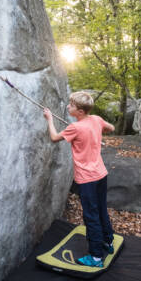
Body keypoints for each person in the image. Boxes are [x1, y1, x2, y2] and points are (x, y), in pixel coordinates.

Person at [43, 91, 115, 268]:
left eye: (72, 105)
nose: (68, 106)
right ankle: (108, 242)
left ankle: (96, 257)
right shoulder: (96, 119)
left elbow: (54, 138)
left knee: (91, 216)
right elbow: (111, 128)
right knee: (101, 211)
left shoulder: (74, 128)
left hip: (87, 180)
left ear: (80, 111)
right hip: (101, 175)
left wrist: (49, 119)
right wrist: (95, 130)